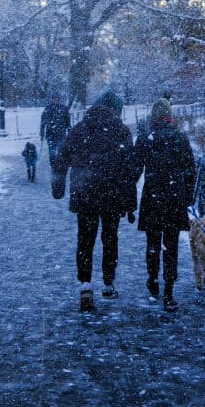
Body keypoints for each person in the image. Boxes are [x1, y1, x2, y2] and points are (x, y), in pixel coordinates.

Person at [51, 89, 137, 312]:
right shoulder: (121, 131)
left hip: (84, 193)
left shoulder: (80, 129)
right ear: (116, 110)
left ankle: (85, 285)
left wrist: (58, 186)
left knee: (85, 240)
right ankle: (108, 284)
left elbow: (61, 158)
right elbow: (129, 170)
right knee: (110, 240)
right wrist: (130, 203)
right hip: (112, 196)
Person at [131, 98, 196, 311]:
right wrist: (188, 197)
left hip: (153, 196)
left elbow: (135, 169)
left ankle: (152, 279)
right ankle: (169, 289)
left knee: (153, 242)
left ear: (153, 116)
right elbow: (190, 170)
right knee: (171, 245)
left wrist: (127, 196)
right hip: (174, 197)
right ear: (169, 115)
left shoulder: (146, 139)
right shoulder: (180, 138)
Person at [39, 92, 71, 165]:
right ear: (52, 99)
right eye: (54, 98)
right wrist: (42, 133)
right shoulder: (47, 109)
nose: (56, 100)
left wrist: (69, 130)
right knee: (52, 152)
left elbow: (68, 121)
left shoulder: (64, 109)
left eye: (57, 98)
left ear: (59, 99)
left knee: (61, 151)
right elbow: (43, 122)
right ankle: (53, 166)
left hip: (61, 133)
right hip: (50, 134)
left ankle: (60, 165)